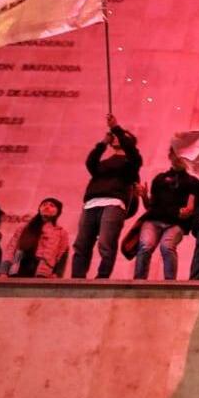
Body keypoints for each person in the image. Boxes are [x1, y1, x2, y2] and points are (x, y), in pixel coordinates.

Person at [71, 114, 142, 279]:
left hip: (114, 203)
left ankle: (102, 277)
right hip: (91, 203)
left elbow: (133, 153)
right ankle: (77, 277)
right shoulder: (103, 163)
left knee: (106, 242)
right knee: (82, 243)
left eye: (122, 137)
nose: (117, 138)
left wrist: (117, 128)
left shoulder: (131, 164)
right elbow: (90, 162)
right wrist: (103, 142)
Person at [134, 149, 198, 280]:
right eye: (176, 154)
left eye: (182, 154)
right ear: (170, 156)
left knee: (167, 246)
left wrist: (187, 211)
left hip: (176, 223)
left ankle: (170, 282)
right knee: (145, 245)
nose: (179, 157)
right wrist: (144, 196)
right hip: (153, 220)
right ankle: (139, 281)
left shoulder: (192, 181)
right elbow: (149, 206)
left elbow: (191, 206)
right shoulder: (160, 179)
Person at [0, 198, 69, 277]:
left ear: (58, 212)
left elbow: (62, 255)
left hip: (43, 272)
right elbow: (11, 249)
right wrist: (4, 270)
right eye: (44, 205)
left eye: (52, 206)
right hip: (18, 269)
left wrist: (57, 274)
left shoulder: (61, 233)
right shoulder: (24, 228)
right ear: (39, 208)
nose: (47, 207)